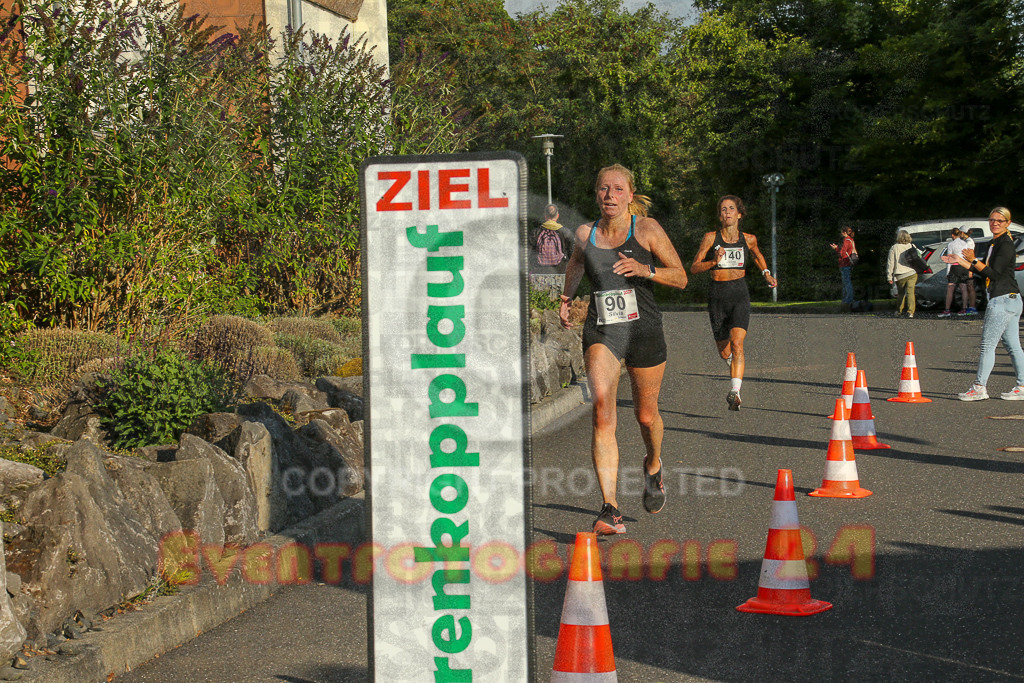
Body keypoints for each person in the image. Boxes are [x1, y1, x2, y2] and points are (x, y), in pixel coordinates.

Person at [559, 164, 688, 534]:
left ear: (630, 195)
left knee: (646, 417)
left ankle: (653, 465)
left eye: (617, 189)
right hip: (603, 331)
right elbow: (576, 263)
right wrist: (568, 296)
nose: (609, 195)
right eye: (603, 189)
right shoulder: (586, 233)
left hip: (644, 330)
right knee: (602, 411)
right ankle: (609, 509)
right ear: (596, 194)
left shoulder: (646, 229)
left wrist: (646, 270)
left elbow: (680, 276)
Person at [691, 195, 777, 411]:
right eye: (722, 209)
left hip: (739, 293)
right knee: (724, 351)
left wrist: (766, 273)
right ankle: (734, 368)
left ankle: (735, 391)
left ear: (739, 214)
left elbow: (757, 256)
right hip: (717, 295)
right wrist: (713, 261)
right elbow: (694, 267)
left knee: (737, 342)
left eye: (731, 209)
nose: (726, 212)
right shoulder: (711, 238)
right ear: (719, 215)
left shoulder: (748, 239)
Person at [950, 207, 1024, 401]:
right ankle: (1022, 386)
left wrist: (972, 259)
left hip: (1003, 299)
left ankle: (979, 387)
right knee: (1013, 346)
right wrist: (959, 260)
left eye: (1000, 220)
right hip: (1010, 299)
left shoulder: (1005, 244)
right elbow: (982, 270)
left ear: (1008, 222)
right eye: (992, 220)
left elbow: (994, 274)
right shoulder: (995, 242)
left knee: (987, 345)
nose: (995, 223)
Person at [938, 227, 972, 317]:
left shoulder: (951, 244)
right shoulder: (965, 244)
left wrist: (948, 272)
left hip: (955, 267)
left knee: (950, 288)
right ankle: (964, 308)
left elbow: (949, 259)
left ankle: (947, 310)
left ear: (952, 235)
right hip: (964, 266)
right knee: (963, 288)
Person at [886, 229, 918, 318]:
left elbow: (890, 262)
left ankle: (899, 311)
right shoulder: (912, 246)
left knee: (901, 293)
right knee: (911, 292)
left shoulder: (894, 247)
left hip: (900, 274)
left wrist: (889, 276)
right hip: (912, 273)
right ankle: (911, 312)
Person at [829, 227, 856, 311]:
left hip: (845, 263)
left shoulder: (846, 240)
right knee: (846, 282)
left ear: (844, 232)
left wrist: (836, 248)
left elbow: (842, 253)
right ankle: (846, 300)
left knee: (846, 282)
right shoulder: (851, 240)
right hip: (849, 263)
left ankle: (848, 300)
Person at [961, 227, 979, 314]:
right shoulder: (966, 241)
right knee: (968, 287)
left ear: (963, 232)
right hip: (966, 266)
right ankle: (969, 306)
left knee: (970, 286)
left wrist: (970, 269)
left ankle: (972, 307)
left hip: (969, 266)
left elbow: (970, 255)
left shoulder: (969, 242)